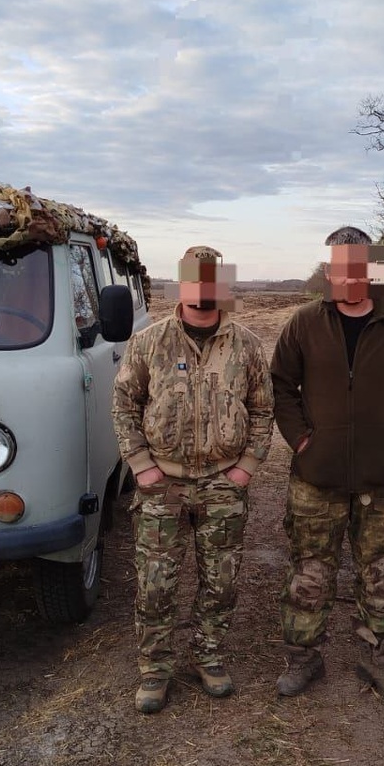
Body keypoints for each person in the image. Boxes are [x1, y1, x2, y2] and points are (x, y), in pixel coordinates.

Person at [270, 227, 384, 701]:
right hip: (316, 477)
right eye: (340, 266)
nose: (349, 276)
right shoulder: (303, 323)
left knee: (381, 571)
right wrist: (302, 440)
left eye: (359, 266)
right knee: (310, 572)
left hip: (381, 479)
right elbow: (281, 386)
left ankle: (378, 660)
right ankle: (303, 659)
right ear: (329, 272)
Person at [112, 245, 274, 714]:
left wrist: (247, 466)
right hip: (163, 483)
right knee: (156, 582)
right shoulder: (149, 342)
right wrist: (141, 464)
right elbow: (124, 405)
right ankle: (155, 669)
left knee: (220, 581)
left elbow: (262, 410)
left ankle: (209, 656)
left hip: (224, 482)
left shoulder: (245, 344)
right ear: (181, 285)